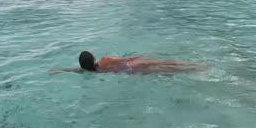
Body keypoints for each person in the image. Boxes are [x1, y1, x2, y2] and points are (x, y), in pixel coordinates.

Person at [50, 51, 206, 75]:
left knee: (161, 71)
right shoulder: (105, 60)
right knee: (162, 62)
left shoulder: (89, 70)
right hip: (130, 66)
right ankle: (195, 66)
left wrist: (58, 70)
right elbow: (125, 60)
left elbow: (74, 70)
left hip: (127, 73)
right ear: (93, 57)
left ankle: (190, 71)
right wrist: (139, 55)